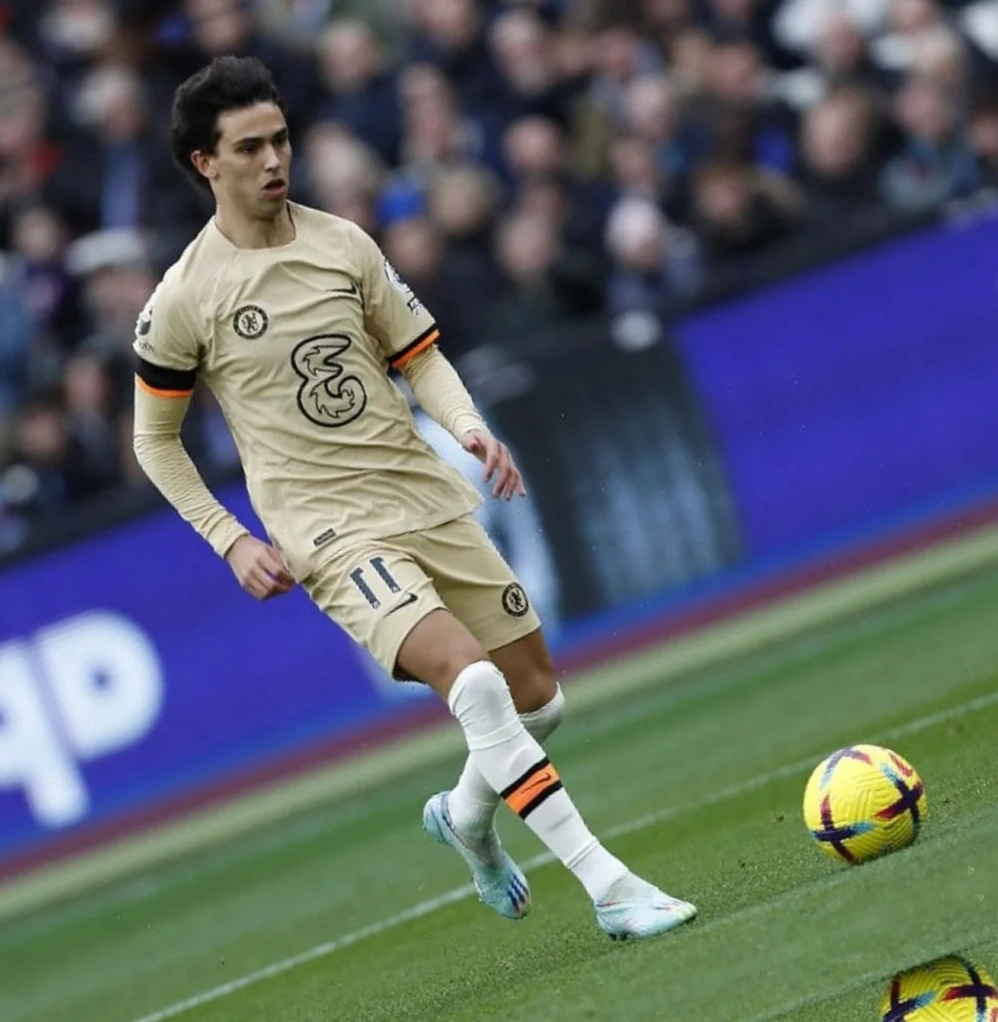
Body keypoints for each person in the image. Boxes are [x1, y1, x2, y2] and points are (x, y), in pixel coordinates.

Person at [132, 55, 696, 940]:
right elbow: (153, 440)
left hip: (421, 493)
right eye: (249, 147)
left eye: (280, 139)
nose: (274, 160)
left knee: (539, 699)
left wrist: (467, 427)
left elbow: (418, 355)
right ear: (205, 163)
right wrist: (229, 537)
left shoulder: (343, 244)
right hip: (329, 531)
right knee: (471, 683)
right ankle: (611, 886)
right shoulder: (183, 300)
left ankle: (468, 819)